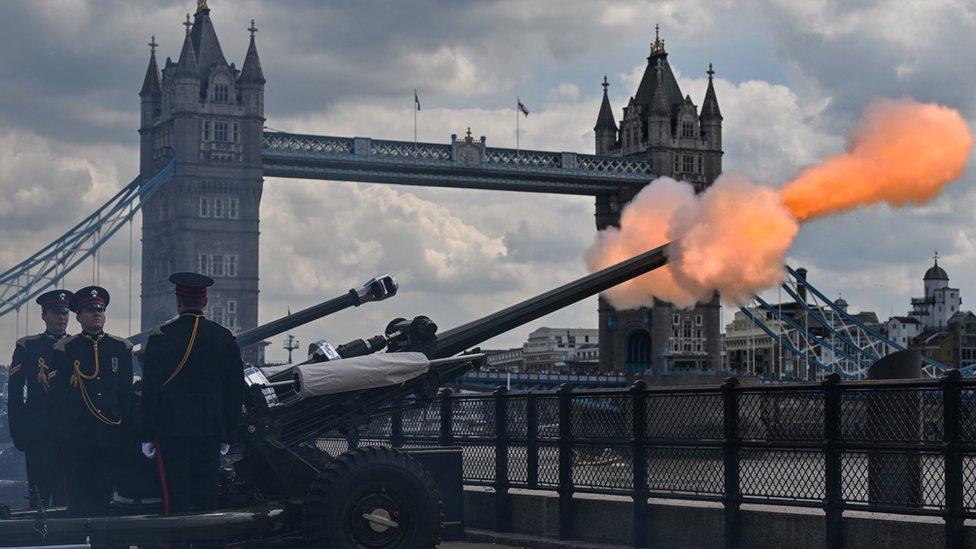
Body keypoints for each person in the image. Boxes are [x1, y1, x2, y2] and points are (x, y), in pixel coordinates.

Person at [139, 272, 244, 518]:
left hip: (170, 432)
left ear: (179, 301)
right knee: (207, 497)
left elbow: (150, 391)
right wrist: (228, 433)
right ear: (205, 302)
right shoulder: (223, 336)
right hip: (210, 432)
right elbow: (234, 390)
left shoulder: (161, 337)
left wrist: (146, 434)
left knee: (175, 498)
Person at [51, 286, 133, 517]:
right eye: (89, 309)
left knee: (109, 501)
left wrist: (129, 434)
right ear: (78, 316)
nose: (96, 313)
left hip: (111, 436)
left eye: (100, 309)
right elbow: (57, 399)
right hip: (78, 438)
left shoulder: (121, 348)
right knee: (78, 501)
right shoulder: (66, 349)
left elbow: (125, 396)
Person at [6, 289, 73, 508]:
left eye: (65, 313)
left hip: (69, 432)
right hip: (38, 434)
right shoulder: (28, 347)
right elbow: (15, 396)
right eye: (55, 312)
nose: (61, 317)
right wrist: (19, 433)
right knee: (38, 499)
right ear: (44, 315)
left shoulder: (77, 346)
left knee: (69, 498)